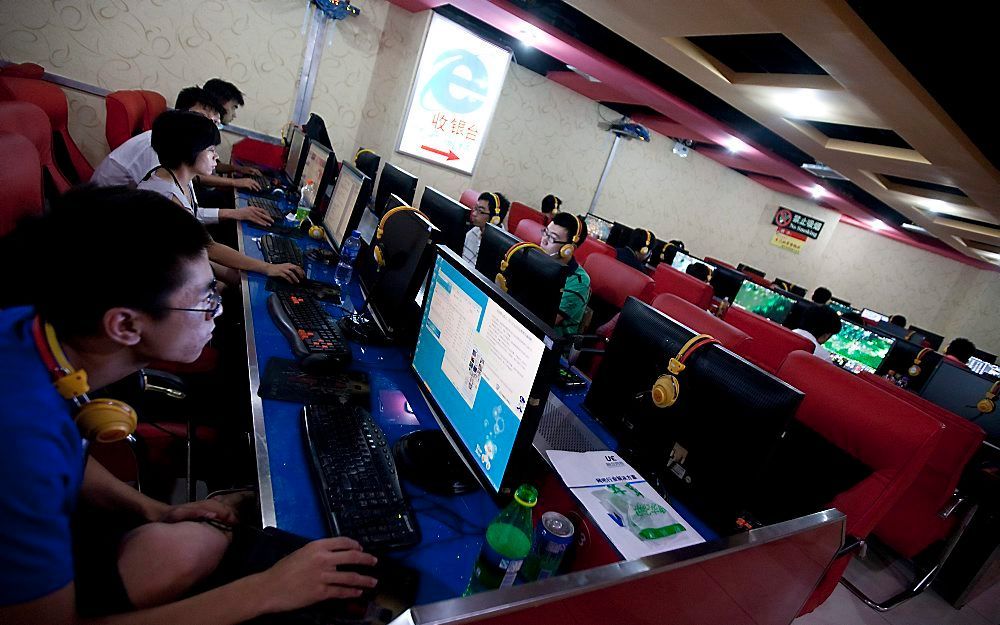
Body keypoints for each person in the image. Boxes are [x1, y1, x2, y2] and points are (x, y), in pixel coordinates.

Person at [0, 186, 376, 623]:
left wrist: (154, 509)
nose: (217, 312)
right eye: (205, 300)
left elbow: (72, 459)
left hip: (60, 529)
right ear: (124, 324)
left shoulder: (34, 329)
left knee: (196, 542)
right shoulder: (21, 443)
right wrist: (267, 590)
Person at [138, 110, 303, 284]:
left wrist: (235, 275)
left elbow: (194, 228)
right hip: (156, 278)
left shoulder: (179, 178)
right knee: (232, 291)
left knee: (237, 280)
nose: (216, 156)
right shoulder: (168, 197)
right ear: (189, 150)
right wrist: (268, 267)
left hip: (177, 258)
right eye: (210, 150)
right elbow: (209, 248)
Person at [91, 87, 270, 225]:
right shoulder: (160, 148)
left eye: (215, 123)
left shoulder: (177, 157)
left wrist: (234, 213)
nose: (207, 127)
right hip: (106, 216)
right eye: (203, 119)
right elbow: (175, 211)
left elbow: (188, 209)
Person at [538, 212, 591, 337]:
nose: (544, 240)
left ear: (568, 249)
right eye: (545, 233)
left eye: (552, 237)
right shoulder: (538, 259)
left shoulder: (579, 282)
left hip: (550, 342)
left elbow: (546, 319)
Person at [463, 191, 510, 264]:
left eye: (480, 211)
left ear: (495, 218)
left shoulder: (500, 247)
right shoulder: (475, 230)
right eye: (475, 208)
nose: (474, 213)